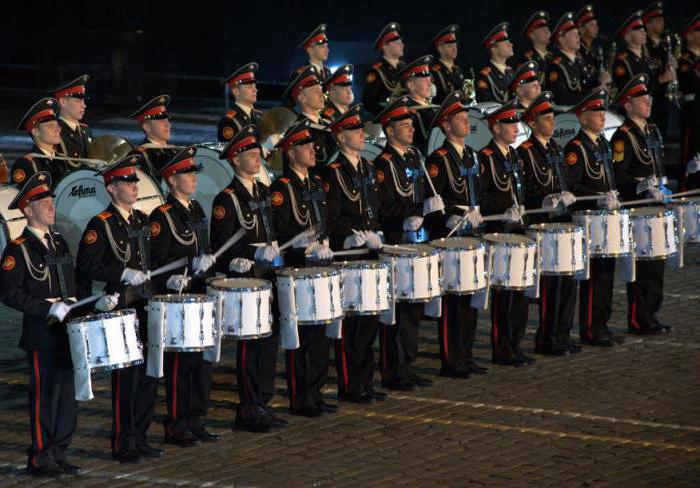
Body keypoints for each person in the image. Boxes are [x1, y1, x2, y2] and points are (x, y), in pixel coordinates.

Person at [75, 154, 163, 463]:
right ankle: (123, 443)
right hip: (121, 310)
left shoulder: (141, 220)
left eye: (135, 180)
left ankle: (141, 436)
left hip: (146, 306)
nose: (134, 185)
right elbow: (86, 265)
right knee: (127, 381)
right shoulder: (101, 224)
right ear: (111, 189)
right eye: (128, 181)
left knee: (149, 376)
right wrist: (121, 273)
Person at [0, 172, 85, 478]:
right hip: (42, 334)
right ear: (27, 210)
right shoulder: (18, 249)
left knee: (67, 397)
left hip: (68, 331)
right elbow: (9, 292)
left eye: (51, 200)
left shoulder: (59, 241)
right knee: (45, 396)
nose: (51, 206)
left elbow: (73, 283)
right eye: (43, 202)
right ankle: (40, 456)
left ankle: (59, 451)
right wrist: (47, 308)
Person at [210, 126, 286, 432]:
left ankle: (263, 402)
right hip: (245, 283)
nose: (258, 160)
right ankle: (248, 408)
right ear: (236, 160)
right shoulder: (226, 199)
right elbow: (221, 247)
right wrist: (255, 253)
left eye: (258, 155)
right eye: (251, 156)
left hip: (267, 278)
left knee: (269, 344)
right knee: (251, 347)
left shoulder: (263, 191)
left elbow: (271, 230)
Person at [149, 147, 220, 446]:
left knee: (199, 363)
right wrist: (173, 277)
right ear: (172, 180)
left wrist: (207, 262)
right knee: (179, 365)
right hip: (176, 300)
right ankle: (177, 424)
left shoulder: (196, 210)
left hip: (198, 296)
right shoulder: (161, 216)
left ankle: (196, 417)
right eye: (188, 175)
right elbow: (155, 262)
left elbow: (202, 247)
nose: (193, 179)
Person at [373, 96, 445, 389]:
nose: (411, 129)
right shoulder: (383, 163)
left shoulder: (415, 157)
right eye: (405, 125)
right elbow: (383, 207)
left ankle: (408, 365)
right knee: (397, 311)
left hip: (417, 242)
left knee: (413, 308)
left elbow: (426, 194)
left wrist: (431, 209)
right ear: (390, 131)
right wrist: (410, 215)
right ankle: (393, 370)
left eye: (412, 124)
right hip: (396, 243)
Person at [270, 120, 337, 416]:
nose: (313, 150)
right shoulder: (281, 188)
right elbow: (280, 230)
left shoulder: (315, 183)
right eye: (306, 146)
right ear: (291, 153)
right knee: (302, 337)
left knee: (320, 335)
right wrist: (303, 247)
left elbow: (324, 221)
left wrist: (326, 242)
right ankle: (301, 396)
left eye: (312, 146)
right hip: (297, 271)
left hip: (319, 268)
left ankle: (316, 391)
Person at [321, 104, 387, 402]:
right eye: (355, 130)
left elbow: (374, 208)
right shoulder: (333, 173)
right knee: (351, 326)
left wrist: (377, 233)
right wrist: (350, 237)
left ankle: (366, 382)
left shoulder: (368, 168)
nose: (362, 134)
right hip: (349, 256)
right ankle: (350, 385)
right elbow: (332, 217)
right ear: (341, 137)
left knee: (369, 321)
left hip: (369, 254)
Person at [425, 91, 487, 377]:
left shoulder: (471, 155)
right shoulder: (438, 159)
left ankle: (467, 353)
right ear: (446, 126)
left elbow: (479, 190)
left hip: (472, 232)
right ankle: (452, 358)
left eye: (466, 117)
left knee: (471, 298)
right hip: (451, 237)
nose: (466, 122)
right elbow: (434, 200)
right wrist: (450, 216)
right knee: (453, 302)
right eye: (460, 119)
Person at [517, 91, 579, 355]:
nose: (553, 123)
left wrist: (566, 195)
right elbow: (525, 190)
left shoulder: (555, 148)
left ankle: (562, 333)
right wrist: (545, 200)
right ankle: (548, 337)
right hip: (541, 226)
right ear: (533, 123)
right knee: (550, 285)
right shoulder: (526, 152)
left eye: (553, 118)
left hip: (561, 224)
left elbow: (563, 180)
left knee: (567, 281)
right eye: (547, 118)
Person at [563, 88, 624, 347]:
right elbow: (573, 186)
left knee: (607, 274)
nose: (601, 117)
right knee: (594, 275)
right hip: (589, 218)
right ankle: (590, 328)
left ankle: (602, 323)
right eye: (596, 113)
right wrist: (597, 197)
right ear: (582, 118)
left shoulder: (602, 143)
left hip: (606, 217)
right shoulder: (576, 147)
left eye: (602, 112)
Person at [610, 74, 670, 335]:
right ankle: (639, 318)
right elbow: (618, 175)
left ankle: (652, 314)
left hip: (656, 209)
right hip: (637, 210)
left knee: (657, 265)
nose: (648, 102)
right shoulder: (623, 136)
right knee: (642, 268)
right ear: (628, 105)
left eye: (648, 97)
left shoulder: (652, 130)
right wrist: (642, 185)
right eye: (641, 99)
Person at [478, 101, 533, 367]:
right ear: (496, 127)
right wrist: (504, 210)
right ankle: (502, 348)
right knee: (504, 297)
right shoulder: (486, 157)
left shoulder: (513, 155)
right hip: (499, 232)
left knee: (520, 293)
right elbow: (483, 197)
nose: (515, 128)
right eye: (509, 123)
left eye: (515, 123)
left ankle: (516, 344)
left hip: (517, 230)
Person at [611, 9, 676, 128]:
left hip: (651, 109)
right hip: (632, 115)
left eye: (643, 29)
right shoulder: (622, 61)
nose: (644, 33)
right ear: (627, 36)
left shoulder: (644, 59)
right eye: (638, 30)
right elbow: (629, 91)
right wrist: (661, 79)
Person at [284, 65, 336, 168]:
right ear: (302, 98)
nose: (322, 95)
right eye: (316, 92)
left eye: (322, 91)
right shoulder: (298, 132)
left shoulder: (328, 124)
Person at [12, 98, 70, 189]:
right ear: (35, 131)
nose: (58, 129)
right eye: (51, 126)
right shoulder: (26, 165)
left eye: (57, 125)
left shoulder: (62, 159)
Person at [545, 12, 598, 106]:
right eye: (574, 34)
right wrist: (592, 94)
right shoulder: (556, 66)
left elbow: (589, 84)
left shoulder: (579, 61)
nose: (579, 37)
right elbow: (561, 99)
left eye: (578, 34)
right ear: (562, 40)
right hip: (568, 116)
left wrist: (601, 83)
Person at [129, 95, 179, 182]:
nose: (168, 124)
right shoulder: (142, 156)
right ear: (147, 127)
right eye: (162, 121)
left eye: (168, 120)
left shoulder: (172, 150)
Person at [362, 22, 405, 116]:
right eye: (397, 43)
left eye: (401, 42)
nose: (402, 45)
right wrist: (388, 113)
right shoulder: (377, 71)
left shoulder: (404, 67)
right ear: (385, 46)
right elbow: (369, 102)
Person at [397, 55, 437, 155]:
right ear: (411, 85)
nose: (429, 84)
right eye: (425, 80)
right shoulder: (409, 112)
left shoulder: (429, 108)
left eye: (430, 79)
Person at [678, 14, 700, 189]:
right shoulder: (685, 59)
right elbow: (688, 83)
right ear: (690, 35)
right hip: (693, 111)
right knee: (689, 151)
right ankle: (685, 187)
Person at [47, 75, 92, 159]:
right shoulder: (54, 132)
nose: (84, 106)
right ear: (63, 102)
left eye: (84, 101)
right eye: (78, 101)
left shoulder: (85, 129)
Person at [217, 63, 263, 143]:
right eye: (249, 87)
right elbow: (231, 153)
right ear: (236, 91)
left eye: (255, 86)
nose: (255, 90)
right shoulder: (229, 121)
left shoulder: (259, 116)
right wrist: (265, 146)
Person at [575, 5, 613, 91]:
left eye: (596, 25)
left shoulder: (596, 49)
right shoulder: (577, 50)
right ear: (581, 29)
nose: (597, 28)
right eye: (592, 25)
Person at [476, 22, 514, 103]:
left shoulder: (511, 72)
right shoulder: (486, 76)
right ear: (493, 48)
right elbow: (485, 105)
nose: (511, 44)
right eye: (506, 43)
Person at [430, 25, 465, 104]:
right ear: (440, 49)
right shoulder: (435, 72)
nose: (454, 49)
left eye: (455, 45)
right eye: (450, 46)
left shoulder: (458, 69)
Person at [516, 10, 552, 82]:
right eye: (543, 30)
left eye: (547, 29)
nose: (547, 32)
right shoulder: (526, 60)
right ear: (532, 35)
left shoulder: (553, 57)